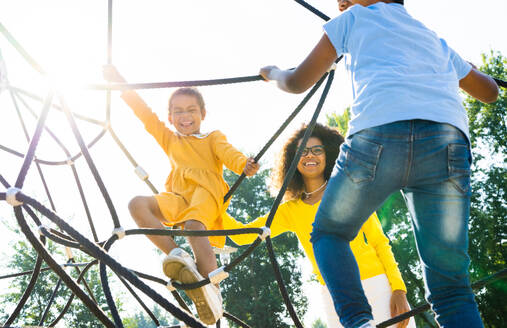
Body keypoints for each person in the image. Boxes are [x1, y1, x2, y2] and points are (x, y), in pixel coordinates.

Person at [257, 0, 499, 327]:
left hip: (381, 133)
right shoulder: (434, 40)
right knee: (451, 286)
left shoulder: (353, 19)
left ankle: (359, 321)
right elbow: (490, 91)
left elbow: (298, 82)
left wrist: (272, 74)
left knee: (329, 233)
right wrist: (461, 66)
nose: (340, 2)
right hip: (446, 143)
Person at [103, 65, 260, 325]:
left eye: (191, 110)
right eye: (178, 112)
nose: (185, 116)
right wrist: (120, 82)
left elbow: (229, 153)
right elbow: (144, 114)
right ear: (170, 117)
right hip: (178, 195)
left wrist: (244, 164)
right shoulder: (170, 139)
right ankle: (179, 256)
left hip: (207, 193)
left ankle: (212, 291)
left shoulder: (212, 137)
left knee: (194, 226)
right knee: (137, 205)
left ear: (202, 114)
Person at [223, 123, 414, 328]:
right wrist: (216, 203)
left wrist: (399, 289)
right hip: (334, 296)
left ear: (328, 154)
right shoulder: (290, 210)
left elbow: (379, 242)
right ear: (293, 160)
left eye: (317, 150)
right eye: (302, 152)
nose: (310, 156)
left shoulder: (349, 192)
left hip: (378, 286)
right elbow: (242, 235)